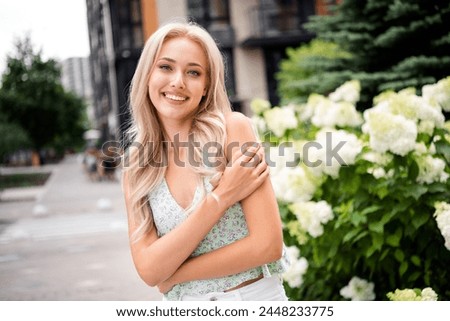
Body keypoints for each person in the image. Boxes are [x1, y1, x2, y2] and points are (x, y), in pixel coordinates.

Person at [122, 21, 288, 301]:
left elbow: (268, 245)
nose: (178, 81)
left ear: (206, 85)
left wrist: (175, 274)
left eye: (193, 72)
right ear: (147, 75)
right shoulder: (137, 168)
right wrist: (221, 197)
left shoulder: (232, 130)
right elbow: (149, 270)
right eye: (165, 67)